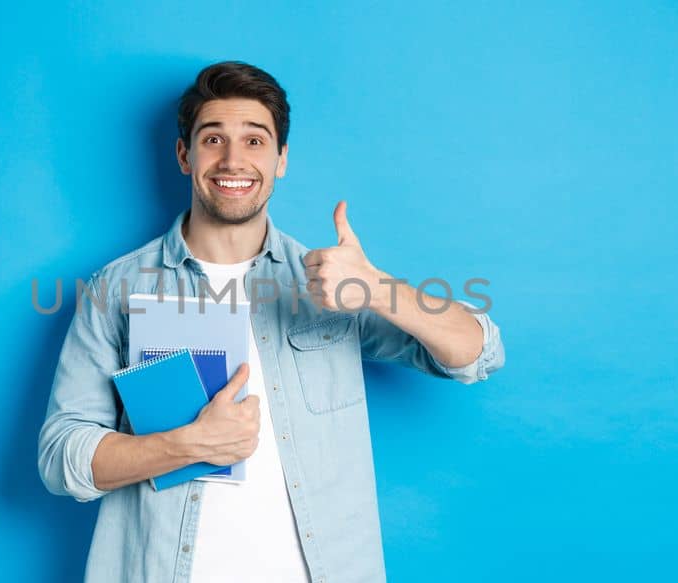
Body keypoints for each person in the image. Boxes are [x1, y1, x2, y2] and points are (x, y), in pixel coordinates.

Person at [37, 61, 506, 583]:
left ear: (281, 159)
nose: (233, 159)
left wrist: (378, 289)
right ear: (183, 155)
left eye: (255, 141)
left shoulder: (331, 284)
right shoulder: (116, 289)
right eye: (213, 139)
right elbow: (62, 457)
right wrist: (189, 445)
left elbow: (477, 352)